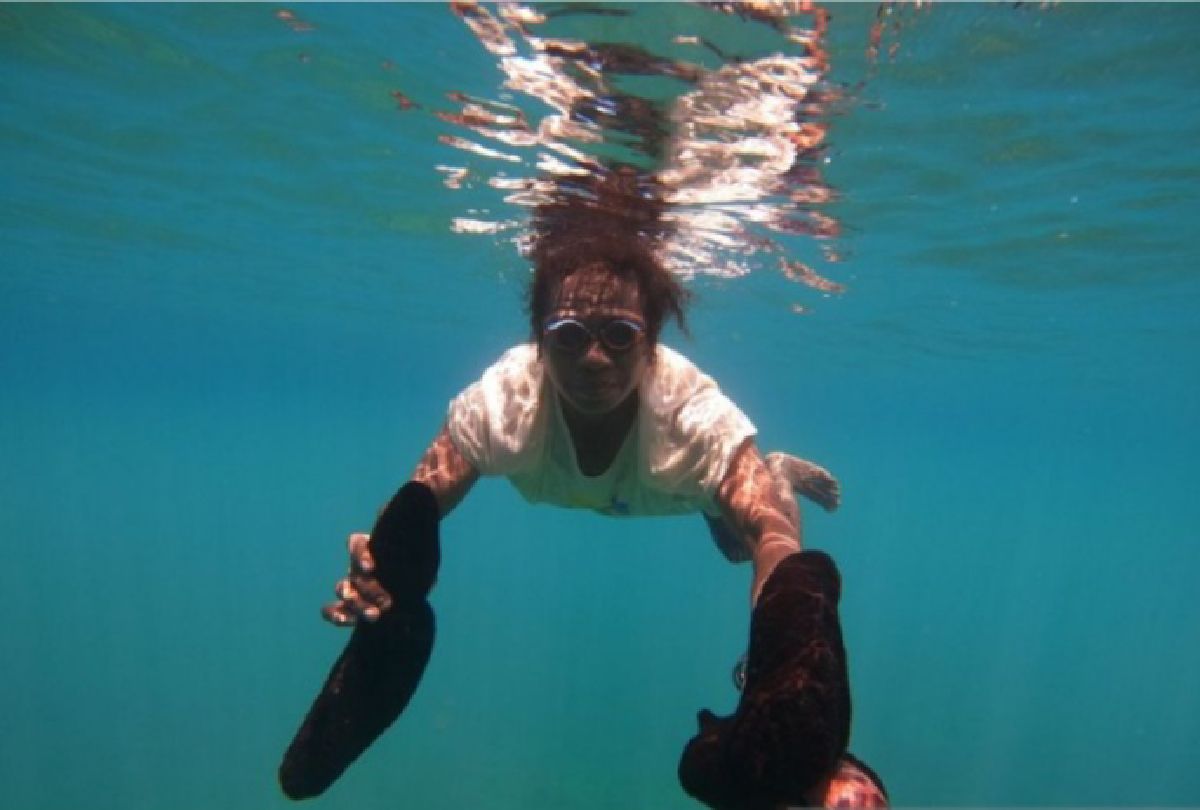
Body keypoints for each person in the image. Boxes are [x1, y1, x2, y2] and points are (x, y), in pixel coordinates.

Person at [309, 174, 886, 808]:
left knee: (739, 536)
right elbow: (421, 497)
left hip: (677, 485)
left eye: (619, 335)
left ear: (651, 344)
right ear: (539, 342)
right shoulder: (506, 402)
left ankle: (775, 468)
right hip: (643, 480)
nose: (592, 359)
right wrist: (381, 567)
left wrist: (784, 682)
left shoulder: (692, 415)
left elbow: (772, 539)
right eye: (567, 335)